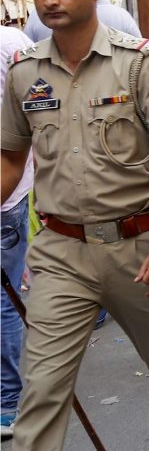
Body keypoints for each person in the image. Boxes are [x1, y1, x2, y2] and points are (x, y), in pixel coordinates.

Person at [1, 0, 149, 450]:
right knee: (41, 394)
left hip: (139, 249)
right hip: (60, 253)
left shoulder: (137, 62)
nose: (50, 0)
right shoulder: (24, 72)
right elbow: (10, 158)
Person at [0, 27, 33, 439]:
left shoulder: (13, 45)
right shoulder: (16, 43)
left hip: (8, 194)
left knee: (4, 299)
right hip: (17, 187)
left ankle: (7, 401)